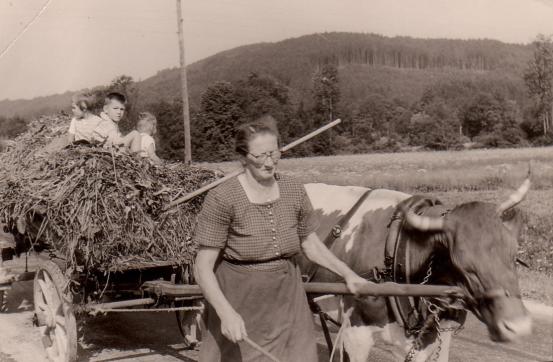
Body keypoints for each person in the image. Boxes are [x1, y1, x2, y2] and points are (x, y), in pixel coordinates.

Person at [193, 115, 370, 362]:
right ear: (243, 157)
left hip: (289, 295)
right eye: (261, 156)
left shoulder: (293, 189)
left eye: (274, 154)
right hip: (242, 298)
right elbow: (202, 267)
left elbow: (310, 244)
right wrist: (226, 313)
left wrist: (348, 274)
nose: (269, 163)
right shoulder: (223, 198)